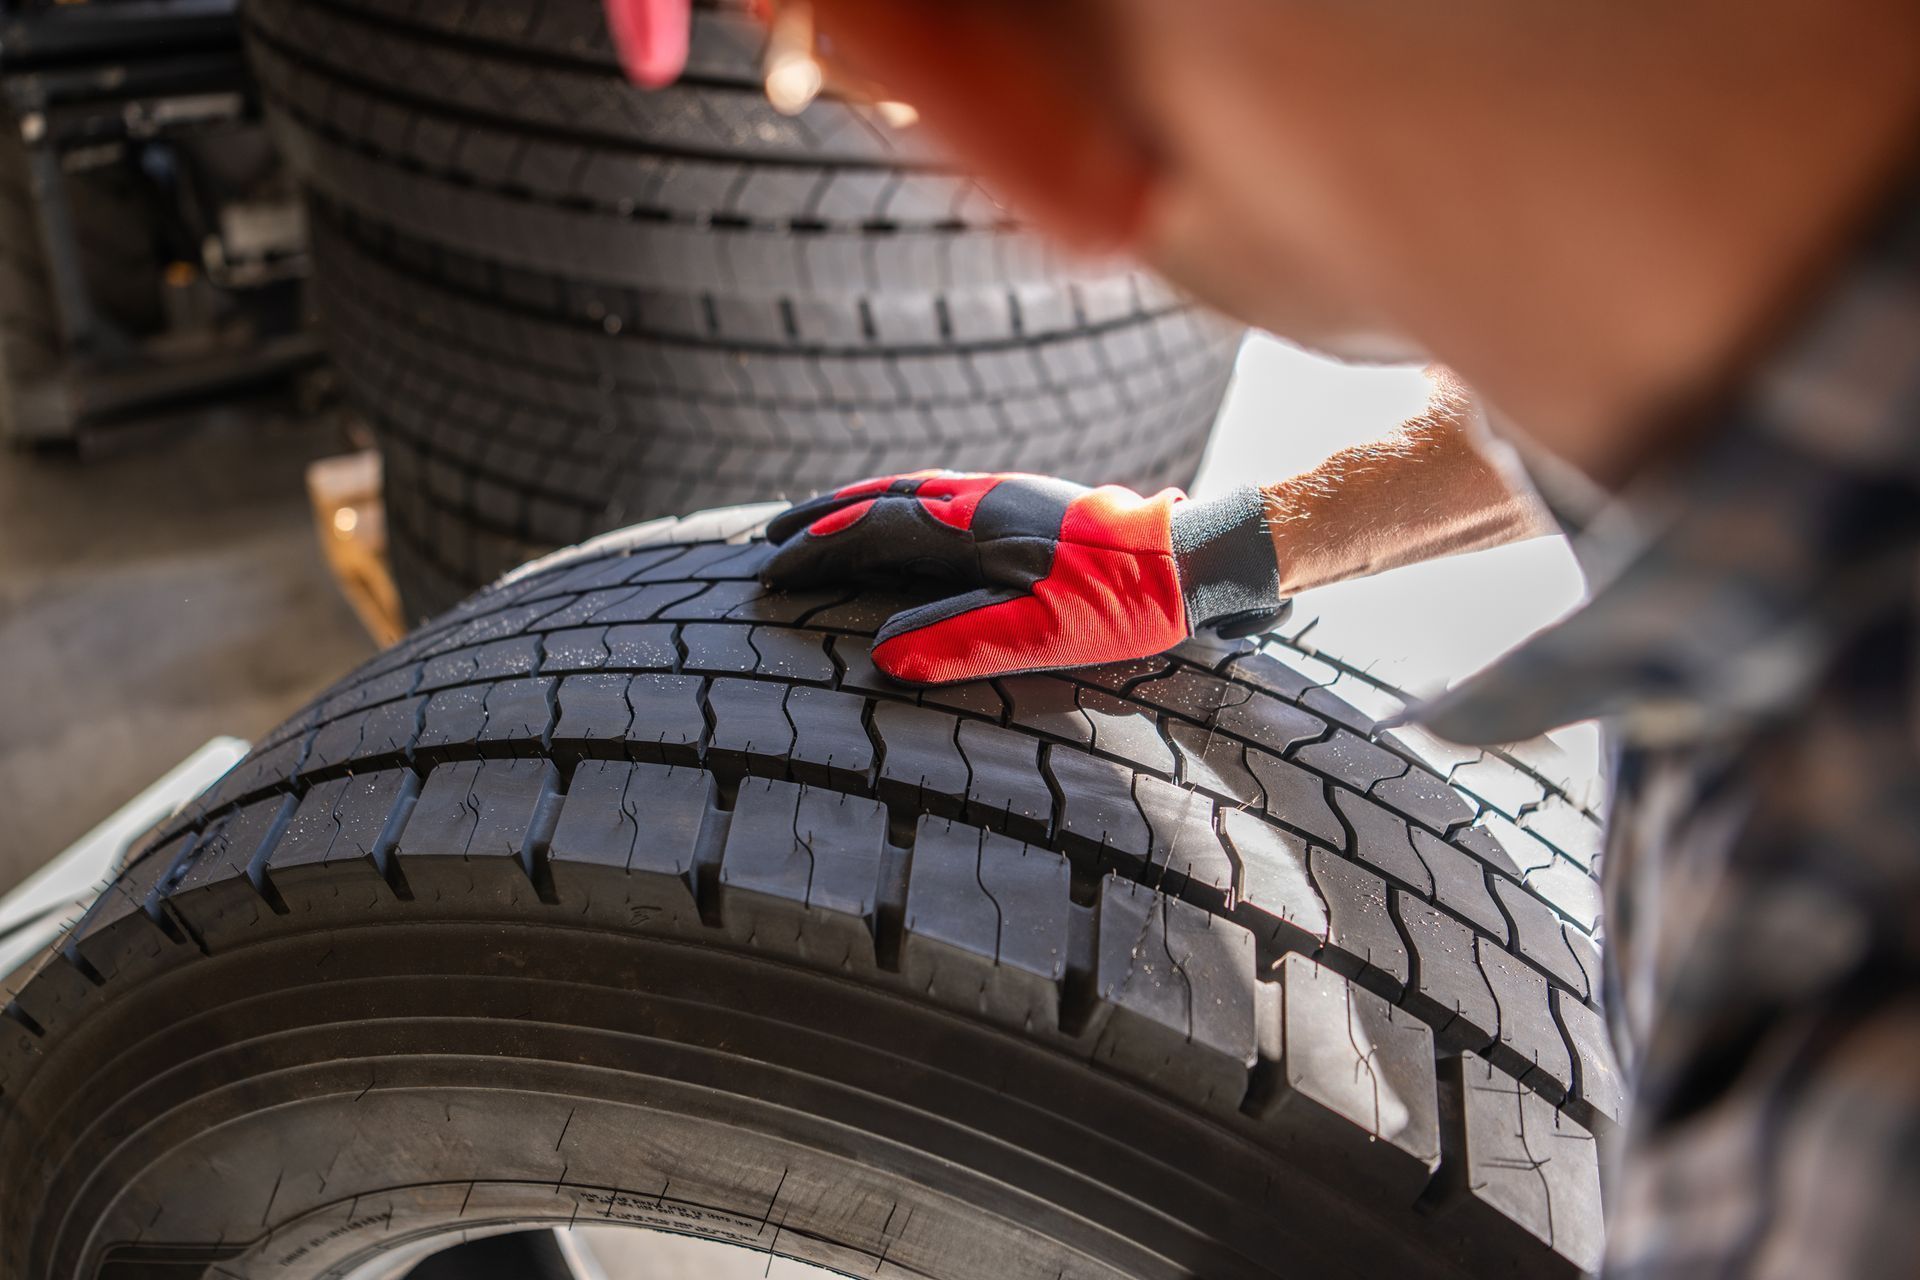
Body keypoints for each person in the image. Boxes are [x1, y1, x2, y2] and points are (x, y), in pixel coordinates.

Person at [608, 1, 1920, 1273]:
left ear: (1029, 131)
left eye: (817, 46)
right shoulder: (1792, 313)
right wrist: (1220, 554)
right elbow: (1623, 314)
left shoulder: (1847, 1108)